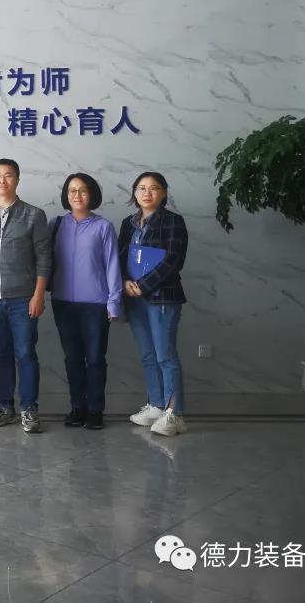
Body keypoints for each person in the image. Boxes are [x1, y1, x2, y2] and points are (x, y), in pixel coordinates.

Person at [0, 158, 52, 434]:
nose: (2, 180)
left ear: (17, 180)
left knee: (26, 352)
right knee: (2, 353)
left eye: (8, 175)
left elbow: (44, 258)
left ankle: (29, 409)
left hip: (23, 299)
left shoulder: (34, 215)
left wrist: (38, 295)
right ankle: (4, 407)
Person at [49, 172, 122, 430]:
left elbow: (113, 265)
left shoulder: (103, 227)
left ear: (92, 194)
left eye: (82, 190)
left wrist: (114, 302)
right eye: (72, 190)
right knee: (72, 359)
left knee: (95, 358)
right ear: (66, 195)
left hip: (96, 304)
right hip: (62, 302)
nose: (77, 195)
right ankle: (77, 407)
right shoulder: (56, 225)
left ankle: (95, 410)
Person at [118, 171, 189, 437]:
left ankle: (174, 413)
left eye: (154, 188)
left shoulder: (173, 221)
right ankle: (156, 405)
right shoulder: (128, 223)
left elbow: (173, 260)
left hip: (162, 297)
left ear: (163, 193)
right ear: (134, 193)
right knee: (148, 354)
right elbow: (119, 256)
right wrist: (125, 282)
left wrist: (143, 285)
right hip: (134, 298)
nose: (147, 193)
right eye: (141, 188)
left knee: (165, 355)